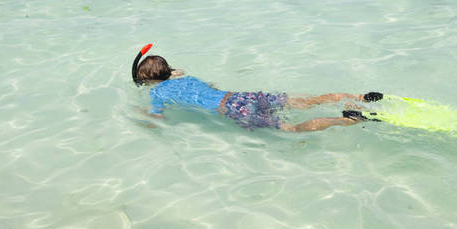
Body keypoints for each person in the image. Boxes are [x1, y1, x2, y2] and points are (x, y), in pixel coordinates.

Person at [132, 46, 383, 132]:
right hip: (239, 95)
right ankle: (358, 96)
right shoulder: (186, 78)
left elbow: (158, 118)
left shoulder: (157, 93)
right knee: (306, 101)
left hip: (231, 109)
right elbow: (187, 77)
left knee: (292, 129)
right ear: (169, 71)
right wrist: (172, 72)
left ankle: (347, 121)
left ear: (149, 81)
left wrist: (141, 115)